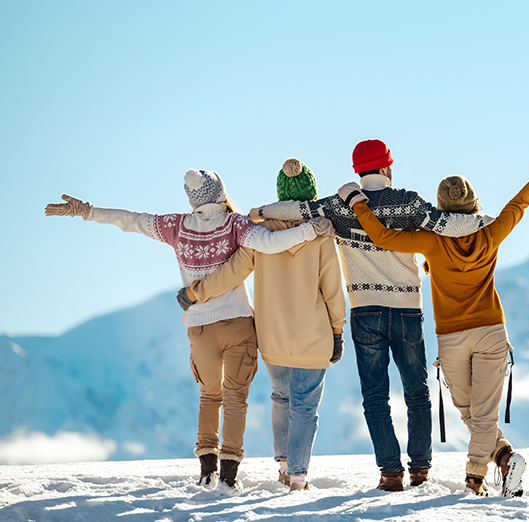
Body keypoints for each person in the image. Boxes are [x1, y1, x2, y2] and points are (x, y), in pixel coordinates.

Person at [44, 169, 333, 493]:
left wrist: (87, 211)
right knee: (236, 399)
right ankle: (228, 475)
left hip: (199, 327)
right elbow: (271, 242)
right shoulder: (236, 224)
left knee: (209, 397)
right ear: (220, 191)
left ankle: (207, 471)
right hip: (237, 322)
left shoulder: (176, 226)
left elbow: (132, 220)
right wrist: (310, 231)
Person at [338, 125, 529, 497]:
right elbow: (522, 201)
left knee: (472, 413)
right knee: (477, 414)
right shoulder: (491, 232)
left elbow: (383, 237)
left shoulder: (431, 242)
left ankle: (475, 480)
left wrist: (357, 203)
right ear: (473, 205)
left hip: (451, 339)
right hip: (491, 333)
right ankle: (504, 458)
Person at [248, 140, 494, 491]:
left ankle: (390, 473)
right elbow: (448, 224)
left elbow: (297, 209)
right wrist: (486, 221)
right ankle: (420, 470)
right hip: (407, 309)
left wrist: (259, 211)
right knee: (416, 393)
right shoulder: (408, 201)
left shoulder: (337, 206)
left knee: (375, 396)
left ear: (358, 172)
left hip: (365, 312)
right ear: (387, 168)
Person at [177, 159, 346, 492]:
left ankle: (284, 468)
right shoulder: (322, 236)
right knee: (305, 406)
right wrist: (338, 331)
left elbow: (231, 273)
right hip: (313, 337)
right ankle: (298, 476)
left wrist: (195, 292)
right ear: (309, 195)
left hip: (271, 338)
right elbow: (333, 291)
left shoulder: (261, 234)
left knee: (281, 398)